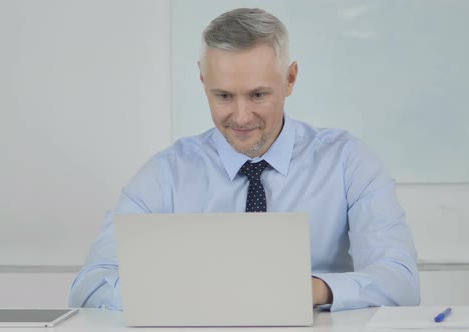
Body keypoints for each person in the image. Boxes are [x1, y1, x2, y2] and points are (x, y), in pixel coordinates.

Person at [68, 7, 420, 312]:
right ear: (202, 80)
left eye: (258, 95)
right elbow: (91, 286)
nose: (240, 116)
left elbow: (400, 281)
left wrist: (305, 290)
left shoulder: (347, 161)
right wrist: (201, 294)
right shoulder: (165, 174)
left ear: (290, 79)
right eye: (223, 95)